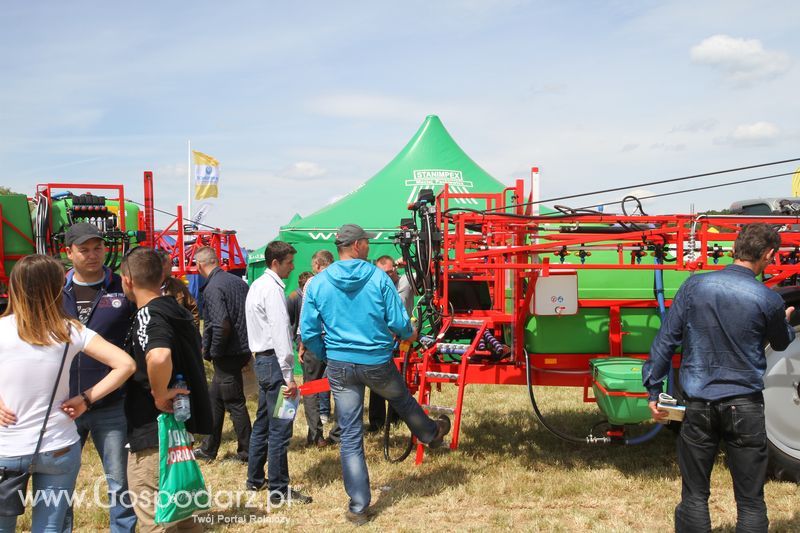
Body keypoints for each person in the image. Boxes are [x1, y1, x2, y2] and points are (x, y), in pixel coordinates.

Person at [643, 223, 795, 533]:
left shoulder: (693, 287)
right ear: (767, 255)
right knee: (751, 500)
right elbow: (780, 344)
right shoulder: (768, 300)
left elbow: (665, 341)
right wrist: (787, 323)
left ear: (735, 249)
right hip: (745, 407)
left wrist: (653, 391)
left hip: (697, 403)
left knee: (695, 495)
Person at [300, 224, 451, 525]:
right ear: (356, 246)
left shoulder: (318, 283)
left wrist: (328, 353)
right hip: (376, 361)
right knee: (402, 401)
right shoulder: (378, 278)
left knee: (351, 436)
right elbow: (398, 322)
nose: (369, 245)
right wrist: (411, 332)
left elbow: (308, 331)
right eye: (366, 242)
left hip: (341, 365)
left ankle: (358, 507)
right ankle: (430, 433)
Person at [0, 254, 135, 533]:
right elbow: (126, 364)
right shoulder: (71, 330)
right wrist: (87, 398)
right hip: (58, 445)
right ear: (54, 289)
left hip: (6, 446)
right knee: (49, 527)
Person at [120, 247, 213, 532]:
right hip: (176, 428)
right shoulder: (175, 308)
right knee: (182, 512)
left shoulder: (148, 314)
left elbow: (159, 355)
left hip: (152, 429)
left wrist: (159, 394)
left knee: (155, 515)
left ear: (127, 280)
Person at [62, 222, 138, 532]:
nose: (93, 255)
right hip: (63, 407)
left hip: (111, 404)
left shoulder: (123, 287)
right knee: (59, 485)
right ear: (69, 253)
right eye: (84, 249)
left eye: (98, 248)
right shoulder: (54, 290)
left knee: (119, 482)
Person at [245, 241, 312, 504]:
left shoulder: (257, 286)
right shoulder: (272, 290)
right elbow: (281, 333)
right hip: (274, 363)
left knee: (263, 422)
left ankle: (255, 479)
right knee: (280, 427)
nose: (292, 267)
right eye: (289, 262)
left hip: (263, 361)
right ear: (275, 263)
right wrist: (288, 375)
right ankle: (279, 489)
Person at [193, 247, 252, 463]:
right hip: (240, 347)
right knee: (215, 399)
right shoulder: (237, 282)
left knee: (235, 402)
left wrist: (213, 352)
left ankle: (247, 452)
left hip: (227, 352)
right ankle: (209, 448)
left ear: (199, 265)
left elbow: (221, 325)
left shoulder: (212, 288)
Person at [366, 256, 407, 433]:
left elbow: (426, 278)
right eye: (384, 273)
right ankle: (377, 421)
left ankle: (397, 417)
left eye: (391, 271)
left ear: (395, 269)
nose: (388, 275)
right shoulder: (376, 285)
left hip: (402, 340)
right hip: (381, 340)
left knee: (398, 379)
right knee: (377, 381)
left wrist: (409, 261)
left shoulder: (406, 281)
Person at [310, 250, 334, 424]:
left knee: (320, 380)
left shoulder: (313, 282)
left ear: (317, 265)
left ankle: (323, 414)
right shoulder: (341, 280)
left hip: (321, 338)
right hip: (339, 339)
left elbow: (308, 324)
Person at [157, 249, 199, 327]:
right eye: (170, 263)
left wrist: (193, 332)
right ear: (161, 265)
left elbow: (193, 309)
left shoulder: (178, 285)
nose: (172, 265)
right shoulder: (147, 286)